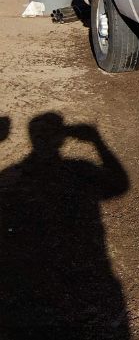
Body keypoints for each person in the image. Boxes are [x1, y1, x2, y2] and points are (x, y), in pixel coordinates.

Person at [0, 113, 130, 337]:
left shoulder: (10, 176)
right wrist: (97, 141)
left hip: (31, 281)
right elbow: (119, 185)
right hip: (76, 275)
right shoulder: (80, 169)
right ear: (63, 139)